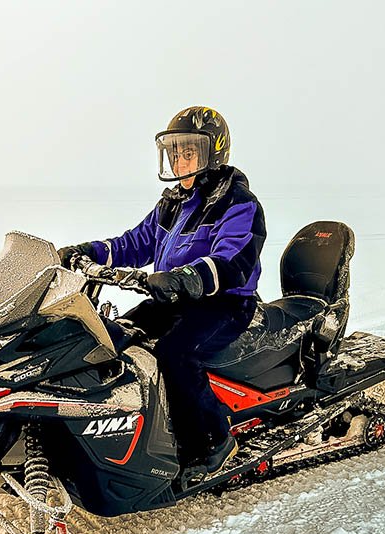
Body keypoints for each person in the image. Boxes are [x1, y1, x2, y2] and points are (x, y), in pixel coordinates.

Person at [59, 106, 266, 475]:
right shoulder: (172, 204)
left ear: (213, 153)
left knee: (175, 352)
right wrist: (91, 251)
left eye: (189, 152)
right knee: (119, 335)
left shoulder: (237, 202)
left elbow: (232, 261)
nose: (181, 160)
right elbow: (135, 243)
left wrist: (185, 277)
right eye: (175, 152)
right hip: (175, 298)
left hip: (225, 304)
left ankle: (213, 440)